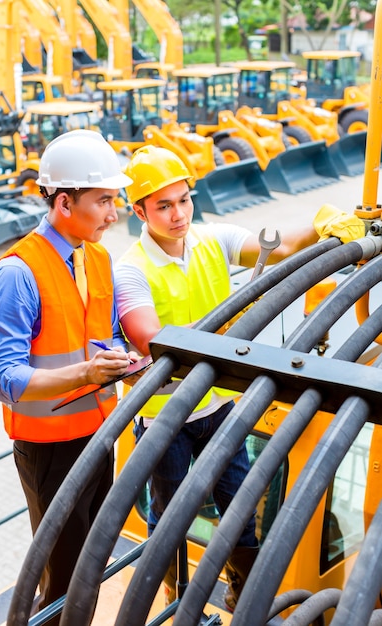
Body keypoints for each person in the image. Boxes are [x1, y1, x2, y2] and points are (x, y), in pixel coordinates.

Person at [114, 145, 365, 613]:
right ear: (139, 210)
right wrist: (228, 322)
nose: (177, 214)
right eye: (163, 205)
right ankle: (173, 598)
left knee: (240, 510)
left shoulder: (213, 239)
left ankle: (242, 594)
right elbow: (152, 338)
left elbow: (283, 245)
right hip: (165, 419)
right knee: (167, 520)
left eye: (184, 200)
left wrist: (322, 221)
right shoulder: (130, 269)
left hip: (219, 409)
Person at [0, 129, 137, 625]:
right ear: (65, 202)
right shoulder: (17, 273)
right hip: (50, 450)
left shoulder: (97, 258)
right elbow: (4, 378)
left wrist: (121, 358)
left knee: (92, 562)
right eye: (105, 201)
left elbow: (103, 334)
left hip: (99, 434)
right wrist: (87, 372)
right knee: (65, 574)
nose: (115, 215)